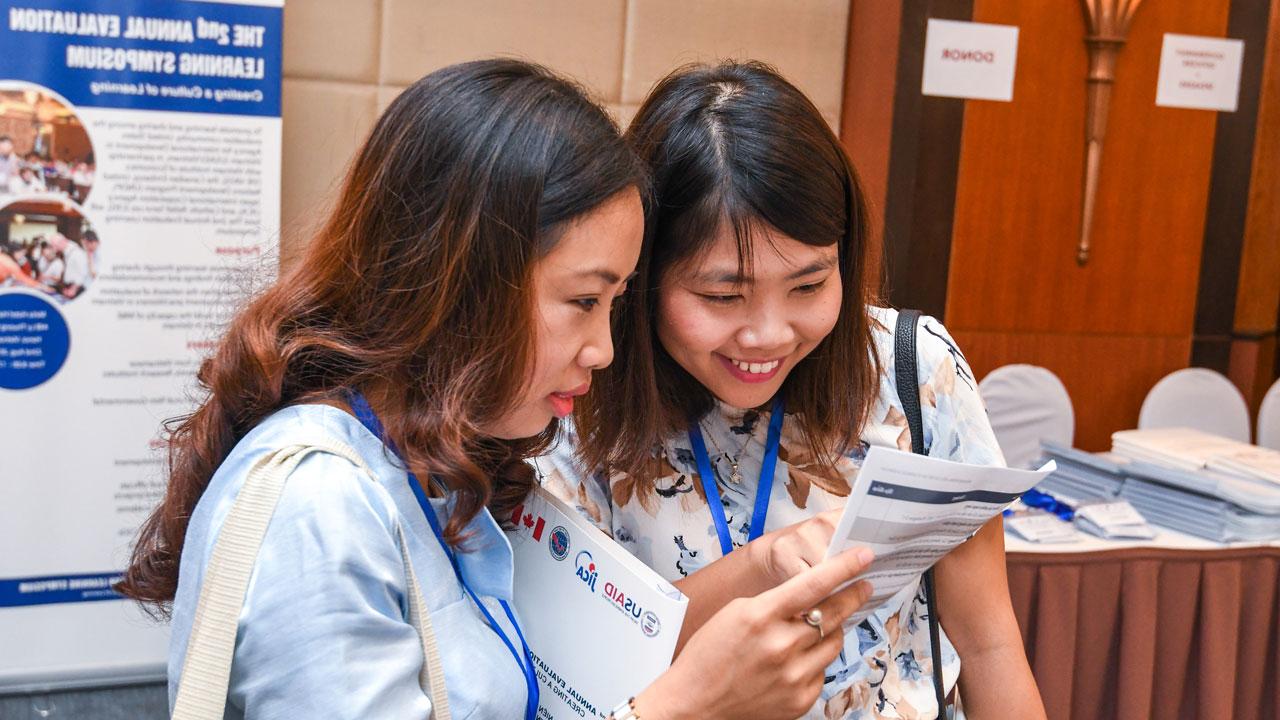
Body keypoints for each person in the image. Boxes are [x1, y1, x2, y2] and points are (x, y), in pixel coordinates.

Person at [118, 59, 874, 720]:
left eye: (615, 305)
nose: (606, 349)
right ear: (462, 284)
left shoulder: (428, 472)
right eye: (583, 302)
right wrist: (684, 707)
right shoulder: (319, 508)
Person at [543, 62, 1046, 719]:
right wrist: (762, 566)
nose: (768, 335)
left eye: (809, 286)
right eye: (724, 294)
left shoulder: (912, 372)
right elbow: (585, 662)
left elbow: (988, 645)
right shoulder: (578, 399)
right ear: (643, 277)